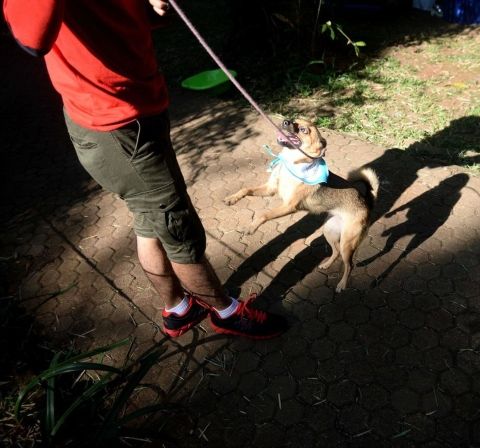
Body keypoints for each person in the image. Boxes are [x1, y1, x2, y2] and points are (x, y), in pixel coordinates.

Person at [3, 0, 287, 339]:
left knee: (150, 218)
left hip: (142, 105)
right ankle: (226, 313)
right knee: (178, 230)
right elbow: (31, 37)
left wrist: (148, 9)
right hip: (113, 126)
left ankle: (178, 310)